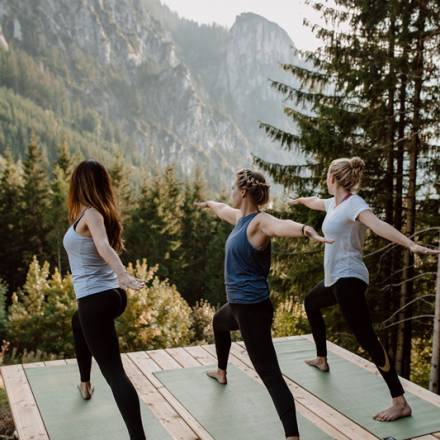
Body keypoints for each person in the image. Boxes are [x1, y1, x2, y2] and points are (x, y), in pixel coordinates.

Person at [289, 156, 440, 422]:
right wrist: (299, 200)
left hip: (349, 278)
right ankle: (322, 359)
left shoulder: (354, 204)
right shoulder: (333, 204)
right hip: (334, 280)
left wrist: (410, 244)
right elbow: (315, 201)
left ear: (333, 178)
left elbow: (378, 225)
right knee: (311, 303)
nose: (325, 179)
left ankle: (400, 402)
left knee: (366, 338)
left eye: (326, 174)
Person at [195, 168, 334, 440]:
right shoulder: (239, 219)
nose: (230, 193)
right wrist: (210, 204)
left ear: (244, 192)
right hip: (237, 307)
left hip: (253, 311)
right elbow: (222, 208)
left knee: (270, 375)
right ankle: (222, 372)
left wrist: (306, 230)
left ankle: (292, 436)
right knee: (218, 323)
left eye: (234, 189)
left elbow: (282, 225)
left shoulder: (260, 222)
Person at [63, 160, 146, 440]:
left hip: (98, 299)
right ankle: (85, 383)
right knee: (78, 323)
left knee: (115, 374)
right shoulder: (95, 214)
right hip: (108, 297)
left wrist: (123, 275)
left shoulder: (92, 215)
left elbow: (103, 246)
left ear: (79, 184)